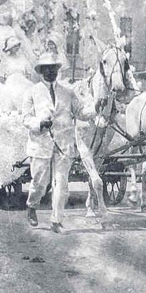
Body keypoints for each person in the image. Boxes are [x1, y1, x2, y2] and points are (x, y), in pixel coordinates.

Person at [22, 50, 101, 232]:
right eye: (47, 69)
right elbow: (25, 118)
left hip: (64, 145)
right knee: (39, 182)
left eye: (54, 69)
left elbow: (81, 113)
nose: (51, 72)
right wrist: (39, 123)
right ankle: (32, 205)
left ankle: (56, 220)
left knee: (61, 183)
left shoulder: (68, 92)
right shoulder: (32, 92)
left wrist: (96, 108)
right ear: (41, 71)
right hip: (41, 144)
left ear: (58, 71)